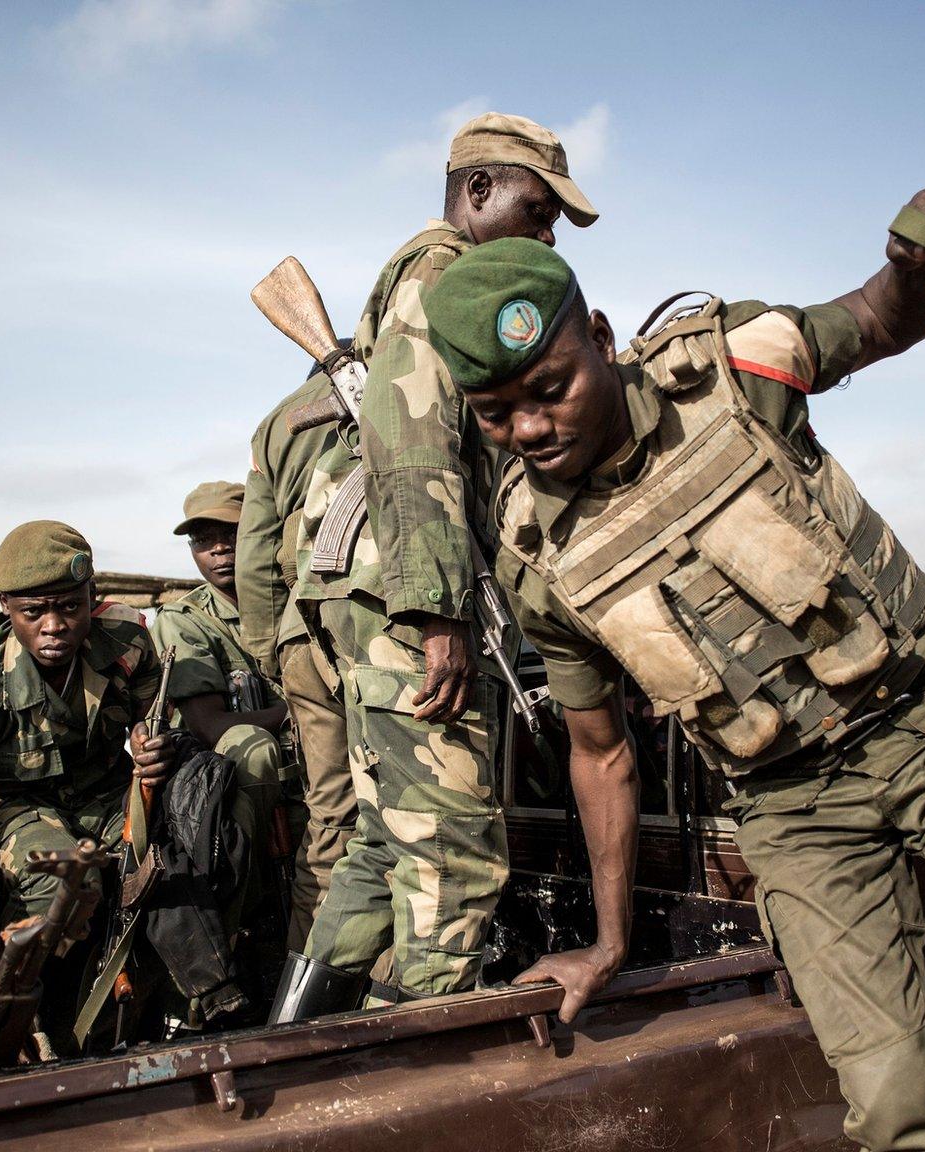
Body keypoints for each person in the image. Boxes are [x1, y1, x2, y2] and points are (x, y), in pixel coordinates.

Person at [424, 216, 925, 1151]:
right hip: (795, 807)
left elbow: (884, 318)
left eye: (549, 390)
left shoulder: (733, 368)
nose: (528, 428)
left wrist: (914, 263)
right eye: (494, 414)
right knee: (898, 1109)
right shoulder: (536, 554)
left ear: (599, 339)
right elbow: (600, 755)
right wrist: (608, 943)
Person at [273, 111, 600, 1017]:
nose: (547, 237)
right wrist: (439, 614)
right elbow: (412, 440)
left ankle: (287, 1054)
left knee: (385, 844)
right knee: (452, 853)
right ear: (478, 189)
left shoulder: (426, 274)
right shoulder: (443, 271)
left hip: (371, 586)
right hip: (405, 593)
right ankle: (405, 1088)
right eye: (539, 212)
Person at [0, 521, 177, 1010]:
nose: (54, 626)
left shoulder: (126, 643)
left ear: (92, 595)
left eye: (70, 607)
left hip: (105, 795)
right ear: (6, 610)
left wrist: (152, 742)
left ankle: (182, 1004)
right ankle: (31, 1010)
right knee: (63, 882)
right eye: (33, 612)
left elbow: (155, 719)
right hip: (14, 811)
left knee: (189, 843)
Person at [236, 372, 352, 950]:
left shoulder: (275, 424)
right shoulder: (411, 376)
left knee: (332, 824)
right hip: (399, 623)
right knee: (420, 822)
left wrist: (275, 653)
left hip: (304, 634)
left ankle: (308, 987)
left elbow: (255, 556)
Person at [151, 481, 290, 860]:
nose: (219, 549)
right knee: (254, 746)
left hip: (312, 764)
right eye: (202, 540)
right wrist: (302, 712)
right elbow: (210, 727)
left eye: (231, 533)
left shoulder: (295, 601)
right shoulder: (185, 621)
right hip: (233, 781)